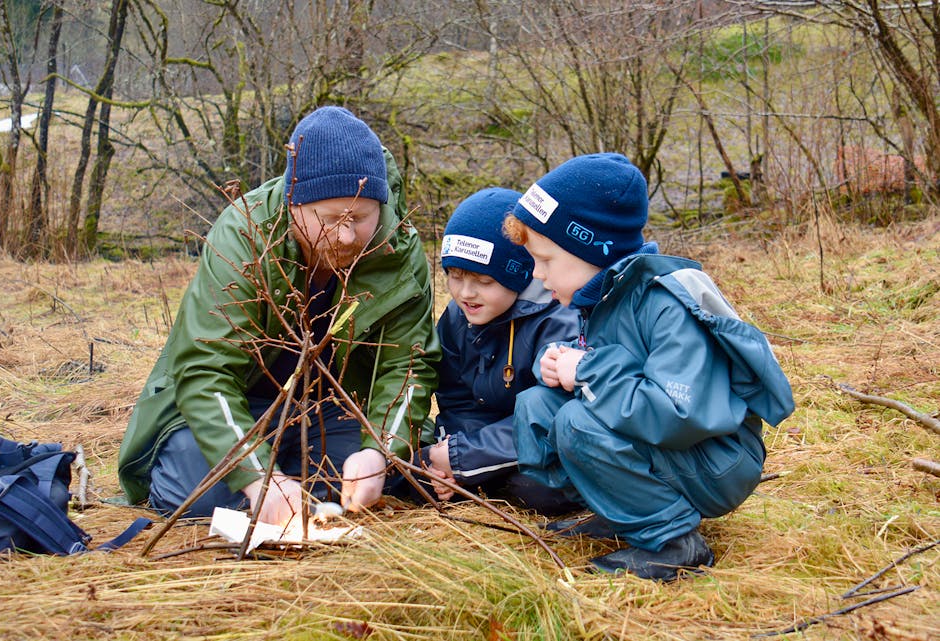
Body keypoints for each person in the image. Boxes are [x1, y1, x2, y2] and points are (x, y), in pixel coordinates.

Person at [118, 106, 440, 526]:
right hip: (242, 404)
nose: (346, 236)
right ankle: (274, 477)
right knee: (200, 494)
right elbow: (206, 370)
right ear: (293, 204)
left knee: (395, 476)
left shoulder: (398, 249)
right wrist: (255, 476)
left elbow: (409, 365)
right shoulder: (244, 235)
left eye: (360, 218)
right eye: (331, 220)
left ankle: (301, 477)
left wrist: (379, 452)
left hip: (331, 406)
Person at [502, 153, 795, 581]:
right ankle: (624, 512)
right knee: (538, 405)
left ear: (591, 249)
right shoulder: (605, 296)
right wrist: (563, 361)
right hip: (675, 449)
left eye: (546, 260)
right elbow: (623, 366)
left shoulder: (664, 304)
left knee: (576, 423)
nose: (538, 275)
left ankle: (674, 543)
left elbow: (678, 413)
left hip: (716, 459)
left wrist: (586, 371)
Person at [403, 188, 580, 514]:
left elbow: (552, 415)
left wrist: (462, 458)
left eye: (483, 281)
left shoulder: (558, 319)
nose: (465, 293)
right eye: (454, 276)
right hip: (483, 443)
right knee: (409, 473)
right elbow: (456, 399)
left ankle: (478, 478)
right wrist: (449, 458)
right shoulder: (458, 318)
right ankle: (471, 477)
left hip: (543, 445)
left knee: (541, 491)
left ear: (517, 273)